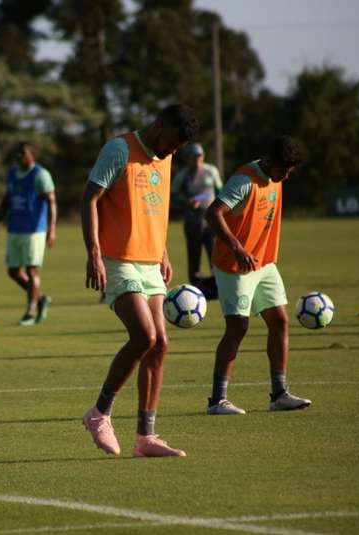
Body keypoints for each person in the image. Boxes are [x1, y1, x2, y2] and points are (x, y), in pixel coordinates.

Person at [81, 104, 199, 458]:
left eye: (179, 147)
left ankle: (145, 437)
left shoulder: (165, 154)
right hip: (118, 260)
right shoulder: (119, 150)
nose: (173, 151)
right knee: (144, 336)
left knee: (160, 343)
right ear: (158, 125)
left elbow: (154, 206)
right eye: (173, 142)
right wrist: (94, 253)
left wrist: (162, 251)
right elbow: (89, 198)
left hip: (150, 262)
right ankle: (99, 413)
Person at [203, 135, 311, 415]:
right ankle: (217, 401)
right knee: (237, 328)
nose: (285, 177)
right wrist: (237, 248)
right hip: (234, 265)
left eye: (290, 172)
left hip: (264, 263)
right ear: (270, 161)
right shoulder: (244, 181)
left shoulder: (275, 177)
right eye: (283, 170)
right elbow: (213, 213)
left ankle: (279, 394)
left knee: (280, 321)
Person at [0, 142, 57, 326]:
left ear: (32, 156)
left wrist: (52, 229)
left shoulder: (40, 175)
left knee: (32, 269)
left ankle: (30, 312)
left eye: (22, 153)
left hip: (34, 231)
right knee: (13, 271)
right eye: (17, 153)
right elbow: (7, 198)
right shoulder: (12, 173)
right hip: (15, 229)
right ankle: (41, 298)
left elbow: (51, 202)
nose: (19, 156)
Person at [171, 142, 222, 298]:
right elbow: (173, 196)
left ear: (203, 156)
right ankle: (197, 290)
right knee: (194, 256)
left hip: (212, 221)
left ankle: (218, 287)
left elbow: (221, 191)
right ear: (188, 158)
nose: (197, 159)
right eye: (193, 157)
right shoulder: (183, 175)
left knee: (215, 255)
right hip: (192, 221)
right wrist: (187, 202)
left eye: (199, 156)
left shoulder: (211, 171)